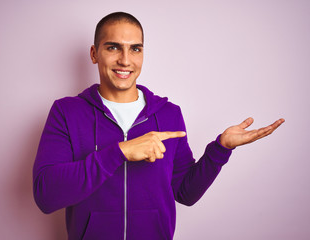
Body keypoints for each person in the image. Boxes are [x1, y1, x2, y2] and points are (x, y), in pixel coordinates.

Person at [32, 12, 284, 240]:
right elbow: (46, 195)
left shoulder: (168, 114)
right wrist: (119, 152)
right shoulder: (66, 112)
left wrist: (221, 149)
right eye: (113, 47)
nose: (125, 60)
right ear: (94, 53)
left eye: (135, 49)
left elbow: (185, 192)